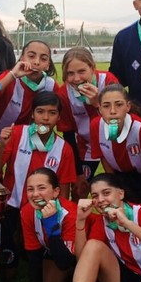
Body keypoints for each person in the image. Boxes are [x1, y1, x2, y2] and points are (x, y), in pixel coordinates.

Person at [0, 91, 77, 253]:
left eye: (52, 113)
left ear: (59, 117)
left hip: (42, 211)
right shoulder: (17, 134)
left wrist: (56, 219)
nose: (45, 118)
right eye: (40, 111)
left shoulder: (64, 149)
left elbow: (64, 193)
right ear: (32, 114)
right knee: (9, 265)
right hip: (12, 208)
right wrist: (2, 146)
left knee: (46, 270)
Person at [56, 47, 119, 196]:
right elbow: (68, 135)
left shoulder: (108, 81)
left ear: (92, 68)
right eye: (70, 73)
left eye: (81, 71)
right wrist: (78, 174)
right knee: (80, 190)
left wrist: (98, 103)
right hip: (85, 146)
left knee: (118, 187)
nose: (76, 79)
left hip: (113, 141)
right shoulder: (63, 94)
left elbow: (120, 121)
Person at [89, 84, 141, 204]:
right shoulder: (96, 125)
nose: (112, 111)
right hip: (119, 176)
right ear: (99, 109)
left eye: (119, 104)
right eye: (106, 106)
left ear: (128, 106)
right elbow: (103, 157)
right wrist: (114, 187)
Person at [19, 168, 78, 282]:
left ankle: (78, 274)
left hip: (76, 254)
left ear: (56, 192)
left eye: (42, 188)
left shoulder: (70, 214)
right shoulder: (27, 211)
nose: (35, 194)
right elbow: (33, 253)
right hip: (56, 250)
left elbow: (65, 262)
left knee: (57, 277)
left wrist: (51, 226)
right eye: (30, 189)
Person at [0, 40, 57, 136]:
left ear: (48, 65)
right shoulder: (9, 78)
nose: (37, 62)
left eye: (43, 59)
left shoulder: (51, 86)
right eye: (31, 56)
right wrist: (12, 75)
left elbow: (53, 121)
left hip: (25, 143)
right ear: (22, 58)